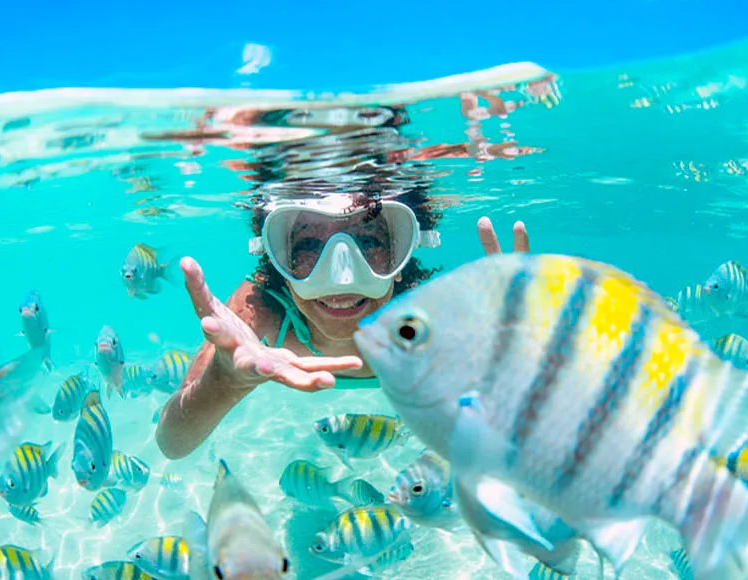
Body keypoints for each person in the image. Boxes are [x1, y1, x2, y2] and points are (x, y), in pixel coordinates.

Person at [155, 77, 555, 460]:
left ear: (405, 251)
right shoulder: (260, 312)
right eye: (309, 245)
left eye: (368, 242)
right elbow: (172, 443)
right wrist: (223, 382)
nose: (341, 276)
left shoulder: (437, 316)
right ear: (275, 256)